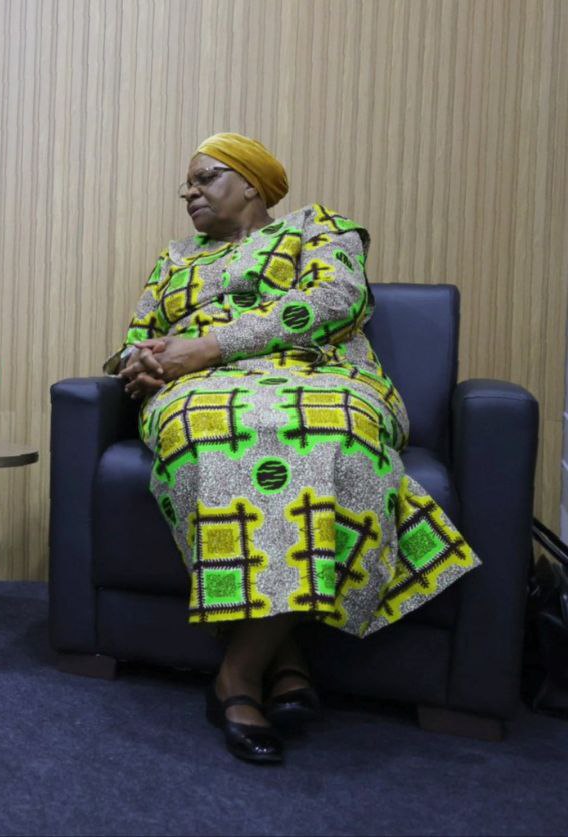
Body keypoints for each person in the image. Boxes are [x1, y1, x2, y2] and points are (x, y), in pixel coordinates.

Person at [108, 133, 478, 764]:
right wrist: (139, 363)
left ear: (252, 183)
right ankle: (285, 662)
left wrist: (209, 346)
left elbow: (338, 301)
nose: (187, 192)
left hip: (321, 376)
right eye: (186, 184)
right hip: (199, 390)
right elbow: (135, 339)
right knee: (214, 430)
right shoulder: (174, 258)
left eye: (204, 178)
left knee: (338, 439)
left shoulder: (318, 227)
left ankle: (237, 672)